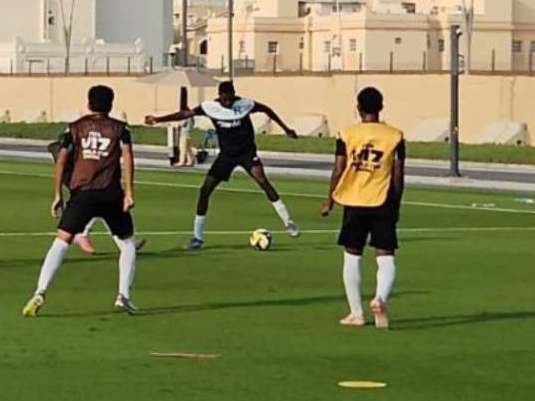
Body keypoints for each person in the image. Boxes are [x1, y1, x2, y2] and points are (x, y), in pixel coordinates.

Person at [23, 85, 139, 316]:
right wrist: (129, 192)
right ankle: (123, 295)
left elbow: (62, 160)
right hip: (110, 193)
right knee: (127, 245)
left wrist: (57, 194)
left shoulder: (75, 128)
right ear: (111, 104)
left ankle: (40, 292)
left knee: (61, 241)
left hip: (82, 194)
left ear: (88, 103)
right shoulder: (120, 129)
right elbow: (128, 157)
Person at [145, 80, 300, 249]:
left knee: (264, 182)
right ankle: (197, 237)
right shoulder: (209, 107)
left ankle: (288, 222)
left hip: (247, 153)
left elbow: (267, 110)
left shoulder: (245, 104)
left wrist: (286, 129)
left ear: (234, 95)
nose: (228, 103)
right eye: (225, 100)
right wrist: (158, 119)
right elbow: (186, 114)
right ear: (219, 97)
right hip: (226, 156)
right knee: (205, 191)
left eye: (230, 100)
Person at [320, 86, 405, 329]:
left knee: (352, 253)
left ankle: (356, 313)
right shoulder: (395, 135)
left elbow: (338, 169)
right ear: (381, 107)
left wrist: (330, 200)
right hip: (383, 199)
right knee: (385, 254)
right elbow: (398, 174)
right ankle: (380, 298)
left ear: (358, 108)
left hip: (354, 200)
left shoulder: (346, 134)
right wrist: (396, 204)